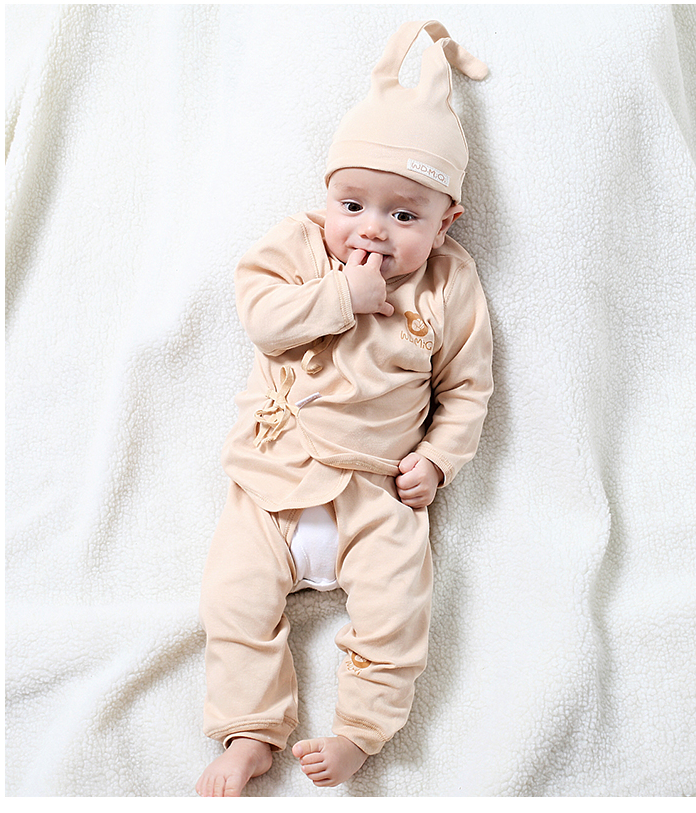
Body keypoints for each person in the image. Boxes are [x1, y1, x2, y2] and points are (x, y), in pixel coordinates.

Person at [195, 20, 492, 797]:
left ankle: (361, 731)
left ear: (446, 222)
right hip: (273, 475)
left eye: (404, 215)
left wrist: (438, 459)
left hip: (377, 492)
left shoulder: (450, 284)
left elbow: (467, 387)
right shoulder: (298, 247)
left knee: (399, 609)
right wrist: (340, 295)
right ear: (325, 194)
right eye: (352, 202)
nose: (371, 229)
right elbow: (263, 317)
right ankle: (249, 731)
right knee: (234, 596)